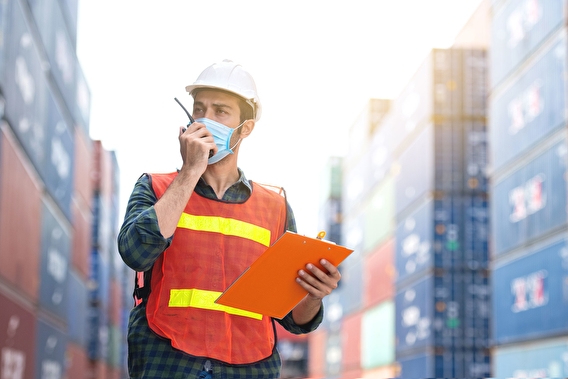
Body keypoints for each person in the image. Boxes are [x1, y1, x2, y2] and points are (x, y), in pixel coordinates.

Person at [118, 60, 342, 378]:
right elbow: (134, 253)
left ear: (245, 128)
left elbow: (295, 318)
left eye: (221, 111)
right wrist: (190, 172)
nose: (207, 121)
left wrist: (313, 294)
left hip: (250, 367)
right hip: (167, 362)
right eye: (199, 109)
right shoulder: (156, 187)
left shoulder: (275, 208)